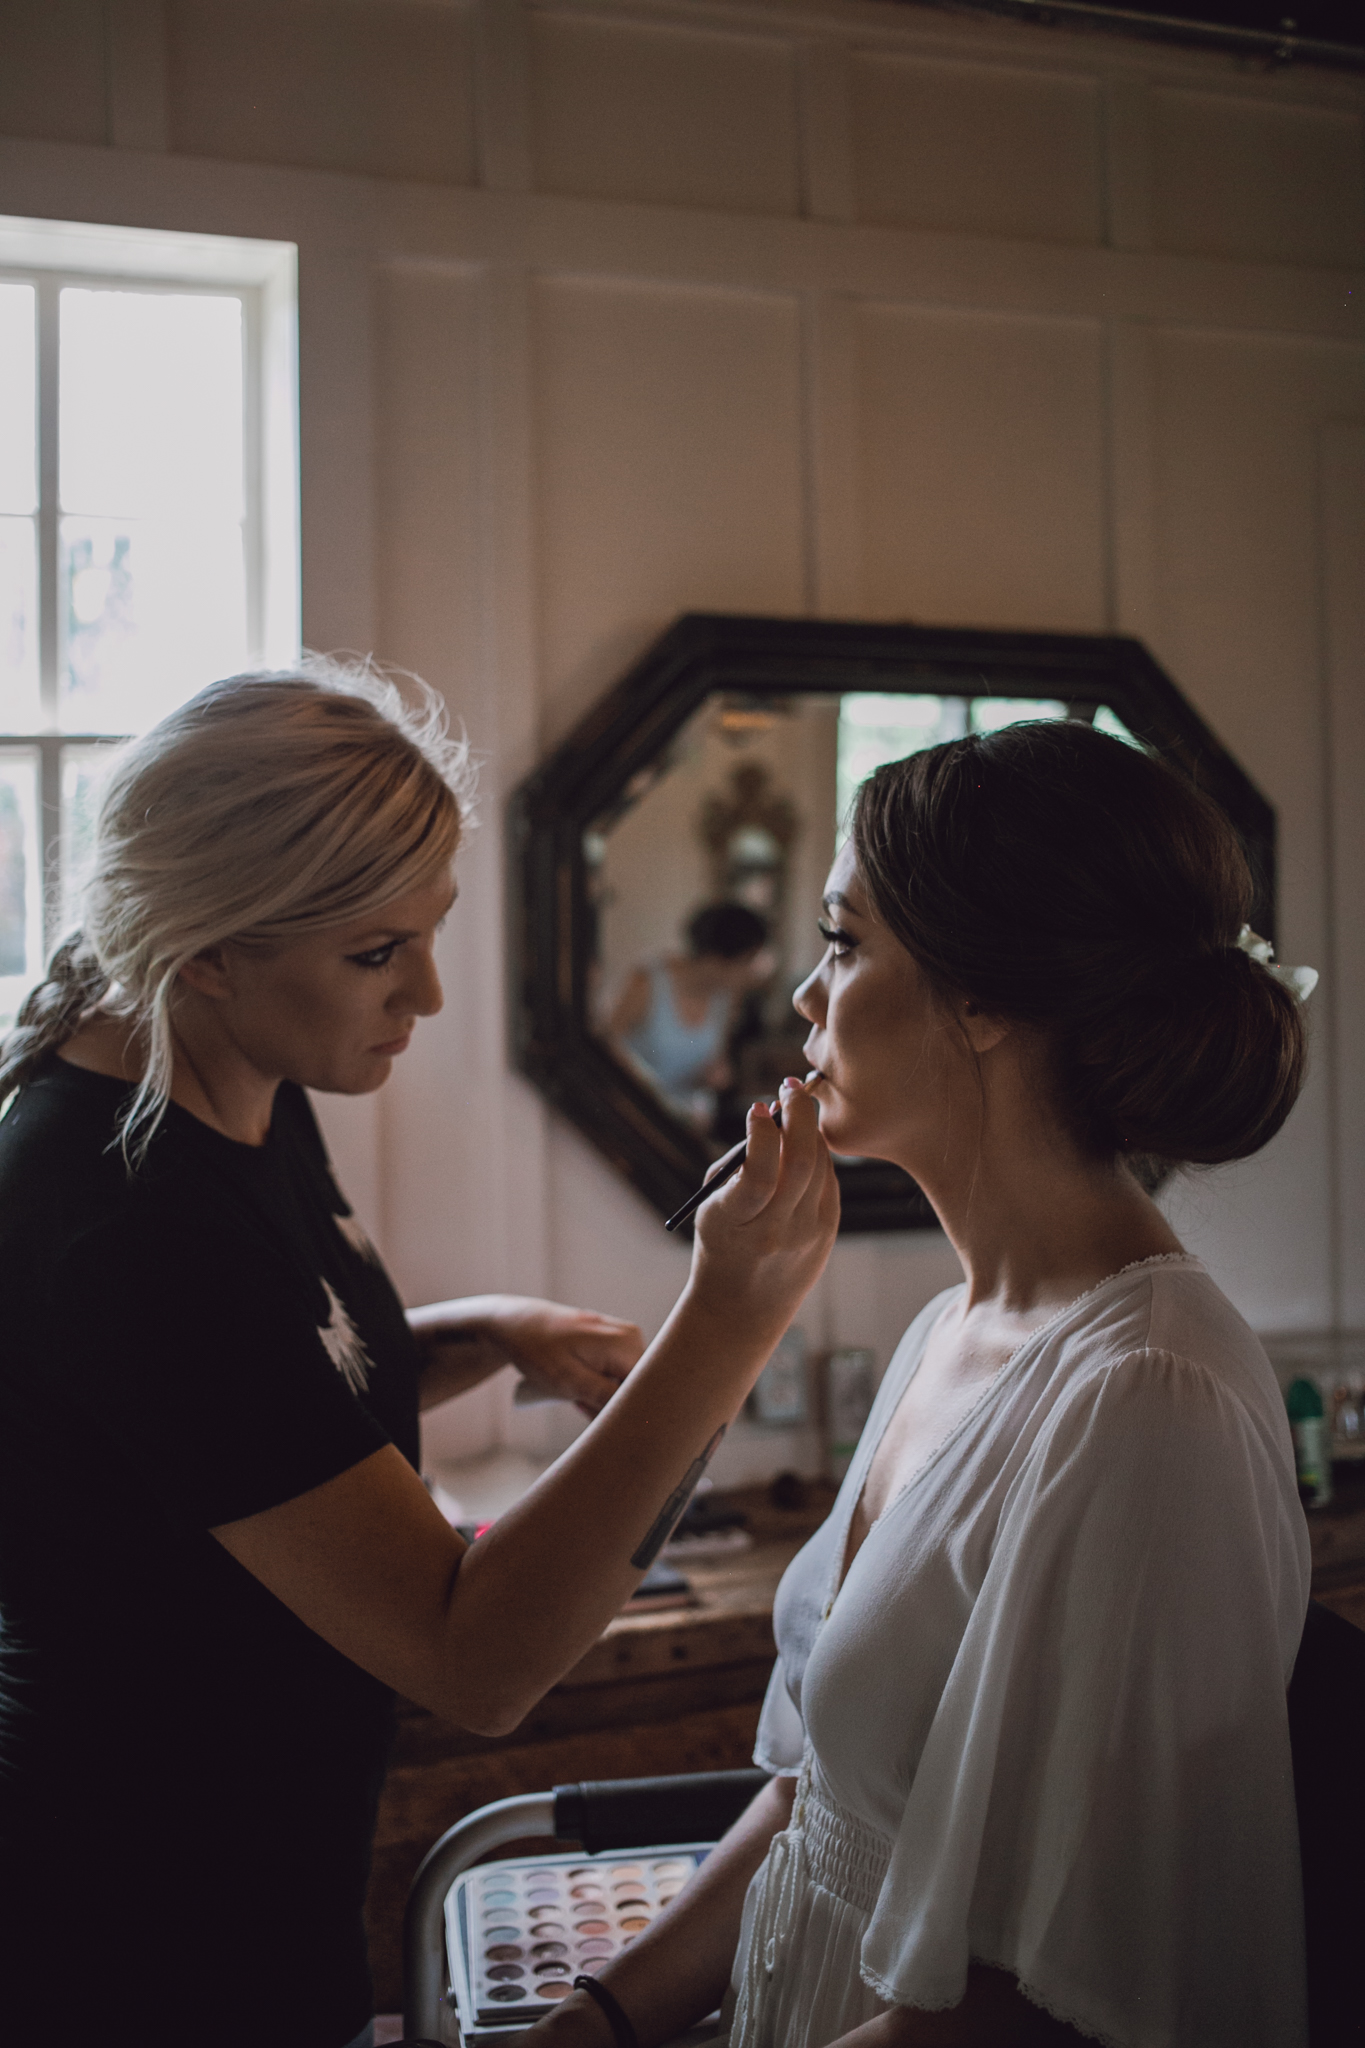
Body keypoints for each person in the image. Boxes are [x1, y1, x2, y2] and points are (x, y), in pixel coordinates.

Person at [0, 662, 839, 2048]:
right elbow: (479, 1658)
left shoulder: (232, 1088)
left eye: (427, 935)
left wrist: (478, 1333)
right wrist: (731, 1317)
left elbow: (255, 1406)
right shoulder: (123, 1215)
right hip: (133, 1957)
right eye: (376, 955)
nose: (429, 995)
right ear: (208, 948)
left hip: (256, 1917)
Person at [527, 719, 1314, 2048]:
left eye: (843, 943)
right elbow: (810, 1806)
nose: (803, 998)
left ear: (982, 998)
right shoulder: (945, 1333)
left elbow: (1051, 2009)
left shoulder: (1151, 1405)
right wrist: (592, 2022)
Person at [607, 902, 774, 1127]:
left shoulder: (727, 998)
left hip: (690, 1122)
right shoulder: (647, 983)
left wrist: (716, 1074)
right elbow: (604, 1047)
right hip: (638, 1119)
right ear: (718, 959)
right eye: (747, 962)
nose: (749, 973)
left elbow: (715, 1064)